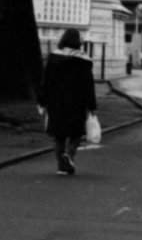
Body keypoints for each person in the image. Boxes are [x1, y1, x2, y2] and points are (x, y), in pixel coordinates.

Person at [37, 28, 97, 175]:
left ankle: (61, 168)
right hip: (77, 101)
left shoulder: (53, 57)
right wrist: (92, 106)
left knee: (59, 134)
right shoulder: (84, 60)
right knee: (77, 132)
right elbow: (88, 85)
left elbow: (47, 81)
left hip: (56, 100)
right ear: (77, 41)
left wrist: (42, 101)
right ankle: (69, 155)